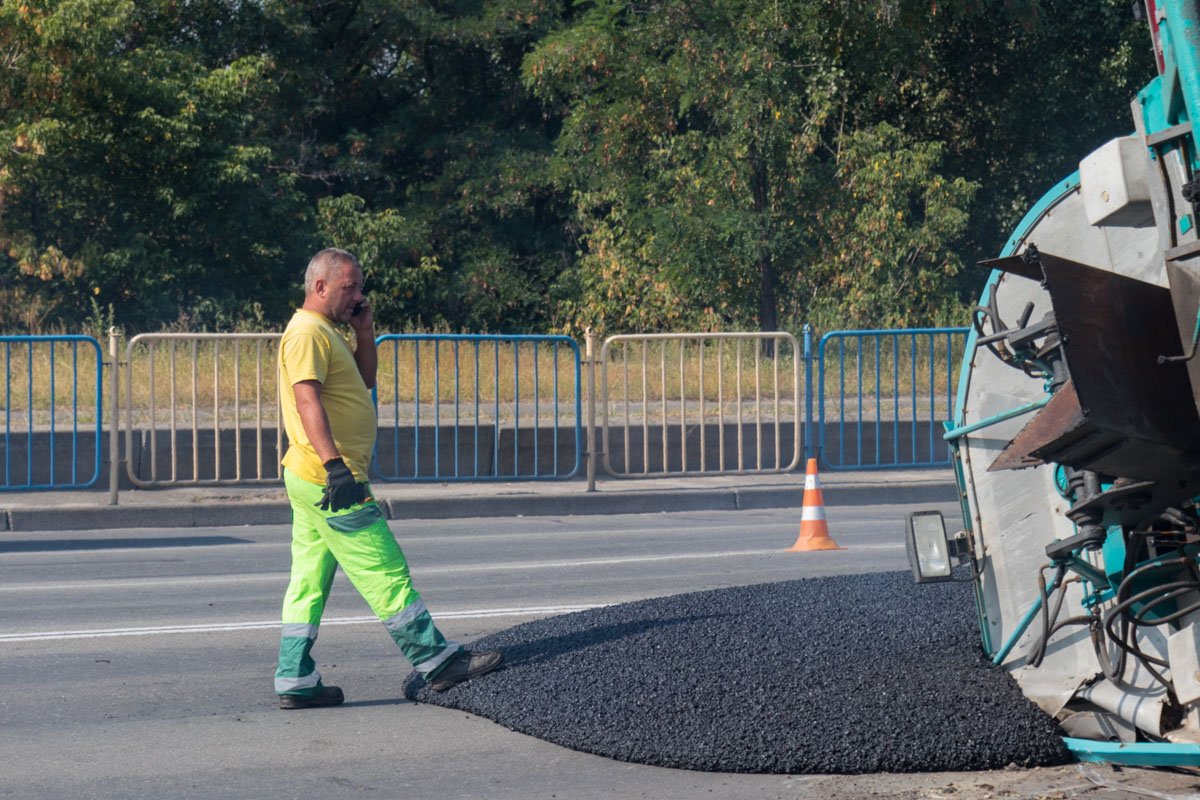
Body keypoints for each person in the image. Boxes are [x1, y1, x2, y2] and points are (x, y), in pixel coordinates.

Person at [273, 247, 502, 709]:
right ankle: (436, 661)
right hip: (329, 480)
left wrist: (364, 331)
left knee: (307, 582)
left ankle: (294, 677)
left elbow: (363, 381)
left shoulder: (328, 331)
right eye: (349, 287)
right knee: (385, 570)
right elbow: (306, 402)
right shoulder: (307, 334)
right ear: (320, 287)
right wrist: (336, 466)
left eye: (359, 286)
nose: (358, 295)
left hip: (311, 477)